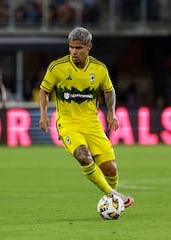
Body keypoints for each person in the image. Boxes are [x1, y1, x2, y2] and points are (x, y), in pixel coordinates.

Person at [38, 27, 134, 208]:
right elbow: (44, 90)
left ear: (89, 47)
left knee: (110, 168)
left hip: (92, 124)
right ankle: (113, 195)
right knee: (83, 156)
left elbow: (109, 90)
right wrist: (43, 114)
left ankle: (111, 201)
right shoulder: (57, 67)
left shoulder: (99, 69)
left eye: (79, 48)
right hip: (68, 124)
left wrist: (111, 112)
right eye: (71, 47)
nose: (74, 52)